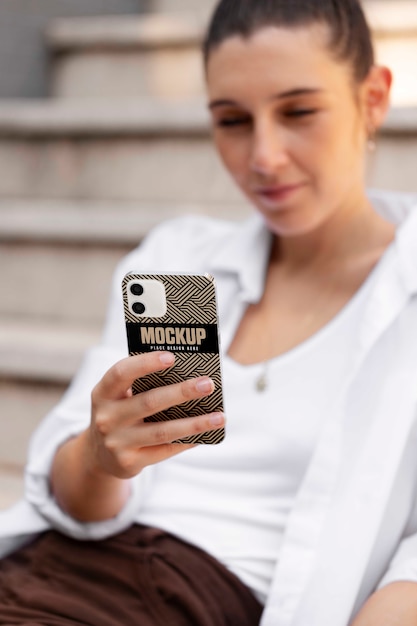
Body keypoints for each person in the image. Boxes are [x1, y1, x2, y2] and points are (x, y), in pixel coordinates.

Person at [0, 0, 417, 624]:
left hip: (194, 600)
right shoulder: (185, 263)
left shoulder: (404, 294)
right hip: (50, 572)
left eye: (299, 111)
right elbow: (76, 495)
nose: (264, 157)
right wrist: (98, 456)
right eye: (232, 120)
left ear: (373, 98)